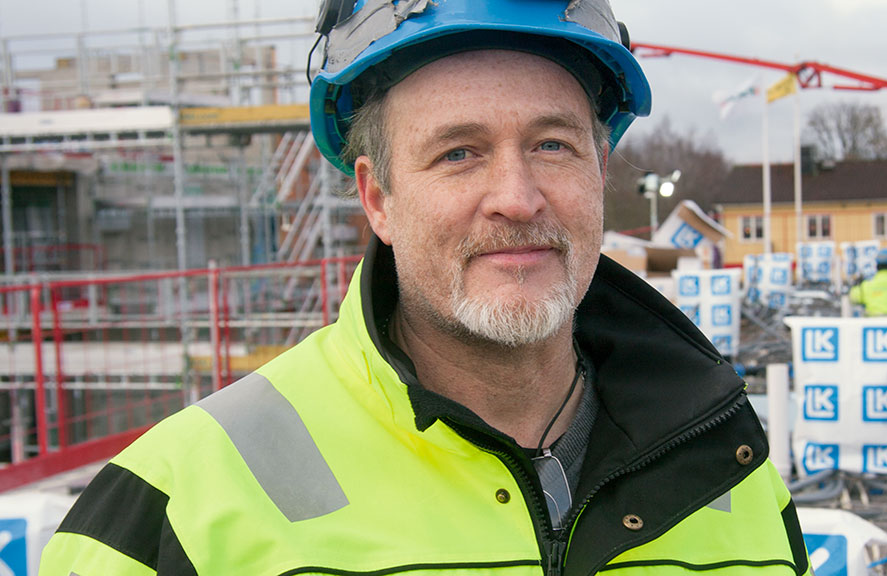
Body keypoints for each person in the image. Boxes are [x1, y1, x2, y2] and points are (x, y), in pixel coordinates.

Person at [41, 2, 810, 574]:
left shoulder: (735, 475)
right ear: (377, 199)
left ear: (600, 173)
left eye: (552, 144)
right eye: (458, 153)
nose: (517, 196)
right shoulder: (172, 510)